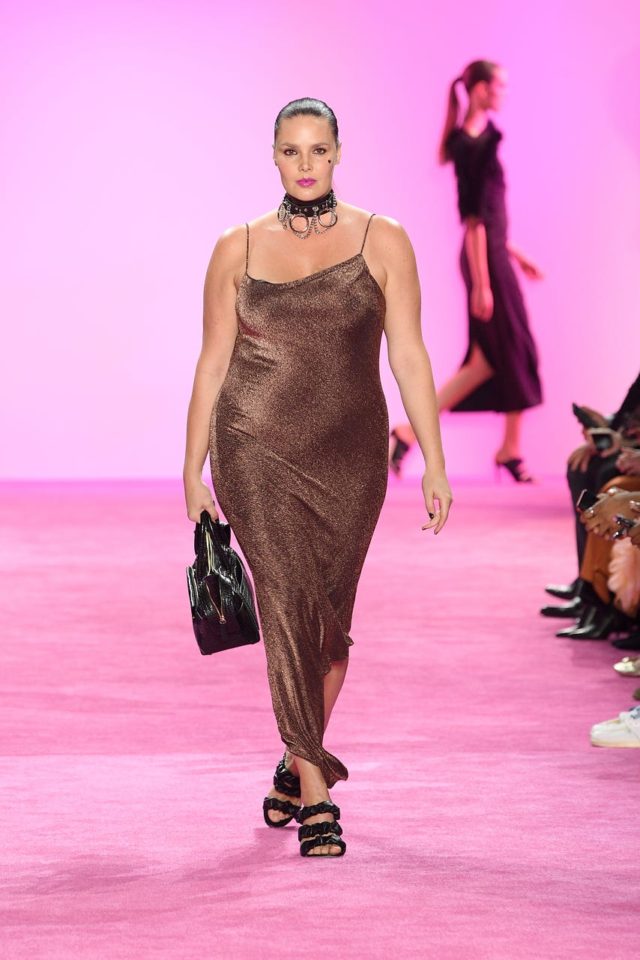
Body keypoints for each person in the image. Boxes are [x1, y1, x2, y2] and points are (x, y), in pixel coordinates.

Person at [183, 98, 452, 858]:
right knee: (287, 607)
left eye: (318, 150)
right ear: (273, 155)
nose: (305, 165)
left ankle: (293, 763)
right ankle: (318, 796)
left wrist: (433, 459)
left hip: (351, 458)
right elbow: (212, 361)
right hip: (253, 448)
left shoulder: (382, 238)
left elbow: (409, 355)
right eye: (291, 151)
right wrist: (192, 466)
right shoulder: (236, 246)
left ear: (338, 153)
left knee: (331, 634)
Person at [390, 60, 543, 482]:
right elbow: (475, 220)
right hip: (484, 262)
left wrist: (514, 253)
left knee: (489, 361)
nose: (504, 93)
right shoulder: (474, 145)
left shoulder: (475, 140)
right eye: (499, 86)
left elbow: (489, 218)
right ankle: (505, 449)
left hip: (493, 255)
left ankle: (414, 434)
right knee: (508, 353)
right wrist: (482, 282)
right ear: (479, 89)